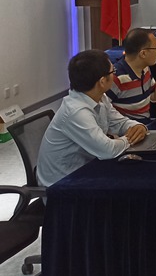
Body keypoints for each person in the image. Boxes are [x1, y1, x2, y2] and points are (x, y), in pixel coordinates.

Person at [37, 50, 147, 186]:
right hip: (62, 185)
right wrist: (131, 138)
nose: (115, 74)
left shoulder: (100, 97)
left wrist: (137, 127)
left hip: (84, 170)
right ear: (102, 81)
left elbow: (118, 122)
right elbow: (107, 150)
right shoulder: (76, 112)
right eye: (113, 71)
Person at [107, 28, 156, 119]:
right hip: (128, 126)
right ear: (143, 53)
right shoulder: (116, 78)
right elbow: (102, 110)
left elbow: (154, 96)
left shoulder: (145, 69)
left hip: (145, 123)